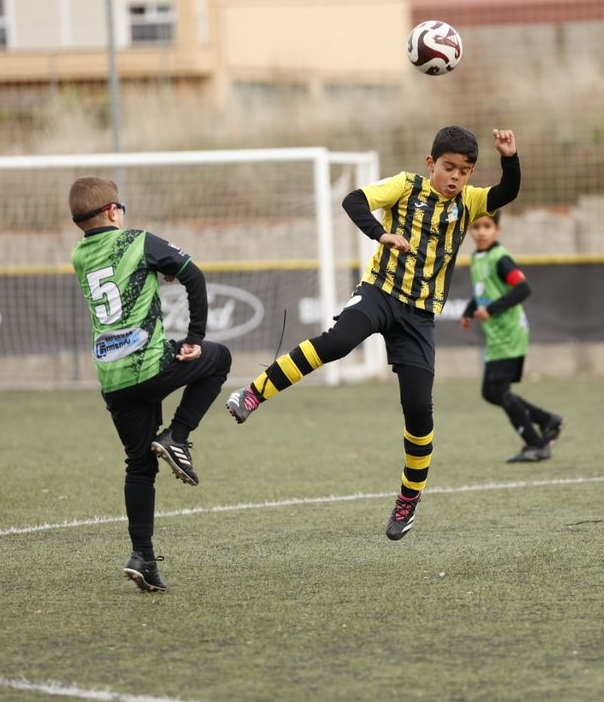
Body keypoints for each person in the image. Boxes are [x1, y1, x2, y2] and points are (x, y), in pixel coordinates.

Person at [226, 126, 522, 540]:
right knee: (337, 342)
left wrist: (509, 158)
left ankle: (408, 501)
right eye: (449, 167)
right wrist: (380, 233)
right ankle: (253, 392)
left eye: (465, 171)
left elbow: (507, 192)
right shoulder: (404, 187)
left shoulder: (469, 203)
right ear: (430, 163)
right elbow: (354, 200)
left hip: (419, 317)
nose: (456, 177)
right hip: (380, 293)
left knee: (419, 411)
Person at [69, 177, 232, 591]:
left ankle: (142, 556)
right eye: (120, 206)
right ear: (111, 211)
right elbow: (193, 274)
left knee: (139, 464)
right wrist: (194, 338)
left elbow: (125, 281)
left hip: (113, 378)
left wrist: (155, 275)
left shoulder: (79, 255)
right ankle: (177, 435)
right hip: (150, 365)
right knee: (219, 359)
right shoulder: (137, 241)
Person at [459, 210, 564, 463]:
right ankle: (547, 420)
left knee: (500, 392)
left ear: (497, 229)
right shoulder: (477, 257)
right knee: (490, 392)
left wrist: (491, 310)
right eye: (476, 227)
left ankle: (536, 444)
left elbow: (523, 288)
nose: (481, 232)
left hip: (509, 333)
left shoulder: (501, 259)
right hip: (496, 334)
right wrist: (469, 311)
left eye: (487, 226)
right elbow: (485, 290)